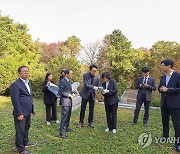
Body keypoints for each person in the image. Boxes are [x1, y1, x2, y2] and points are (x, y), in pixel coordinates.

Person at [10, 66, 36, 154]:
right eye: (24, 71)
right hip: (21, 112)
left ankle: (25, 142)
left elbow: (29, 96)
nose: (26, 72)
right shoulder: (16, 84)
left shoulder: (28, 83)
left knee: (26, 128)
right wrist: (19, 113)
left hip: (28, 111)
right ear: (19, 73)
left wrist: (32, 109)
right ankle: (21, 149)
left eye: (27, 71)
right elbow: (15, 100)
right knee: (20, 130)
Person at [158, 59, 180, 152]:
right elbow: (159, 88)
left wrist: (168, 90)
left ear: (169, 66)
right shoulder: (162, 77)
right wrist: (161, 89)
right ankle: (165, 137)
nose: (161, 67)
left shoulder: (178, 76)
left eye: (163, 65)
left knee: (177, 124)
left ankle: (178, 143)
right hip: (164, 102)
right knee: (165, 121)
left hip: (175, 103)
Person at [77, 64, 100, 128]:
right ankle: (81, 122)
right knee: (83, 108)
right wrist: (94, 87)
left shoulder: (98, 77)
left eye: (96, 71)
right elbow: (86, 84)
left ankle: (90, 122)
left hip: (92, 94)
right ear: (90, 70)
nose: (94, 72)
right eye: (93, 71)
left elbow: (98, 86)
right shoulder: (85, 75)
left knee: (91, 109)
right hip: (85, 94)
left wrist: (99, 89)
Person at [59, 69, 75, 139]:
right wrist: (68, 95)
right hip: (65, 101)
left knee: (68, 115)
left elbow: (69, 90)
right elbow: (60, 92)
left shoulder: (69, 81)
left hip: (69, 101)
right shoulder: (62, 81)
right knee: (64, 117)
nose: (72, 75)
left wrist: (72, 93)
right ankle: (62, 132)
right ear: (66, 74)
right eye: (71, 73)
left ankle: (66, 127)